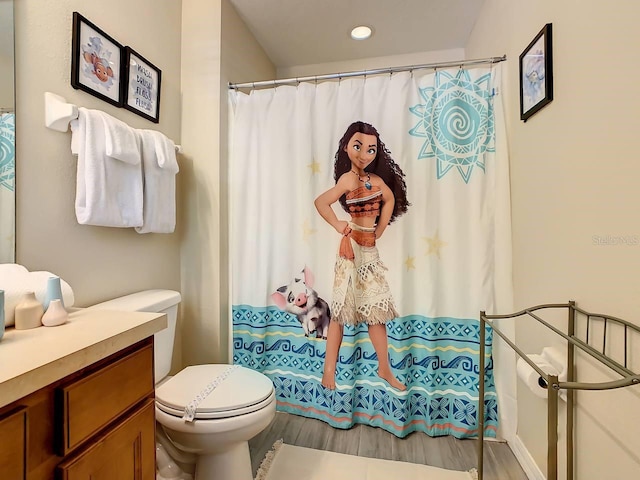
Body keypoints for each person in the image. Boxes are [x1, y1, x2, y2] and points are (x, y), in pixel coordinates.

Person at [314, 121, 410, 391]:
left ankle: (384, 368)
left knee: (376, 313)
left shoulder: (376, 181)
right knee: (340, 313)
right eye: (358, 147)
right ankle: (328, 372)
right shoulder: (347, 180)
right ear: (346, 147)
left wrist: (379, 228)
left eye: (371, 149)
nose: (364, 154)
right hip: (351, 250)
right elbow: (322, 202)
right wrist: (337, 224)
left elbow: (389, 200)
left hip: (369, 253)